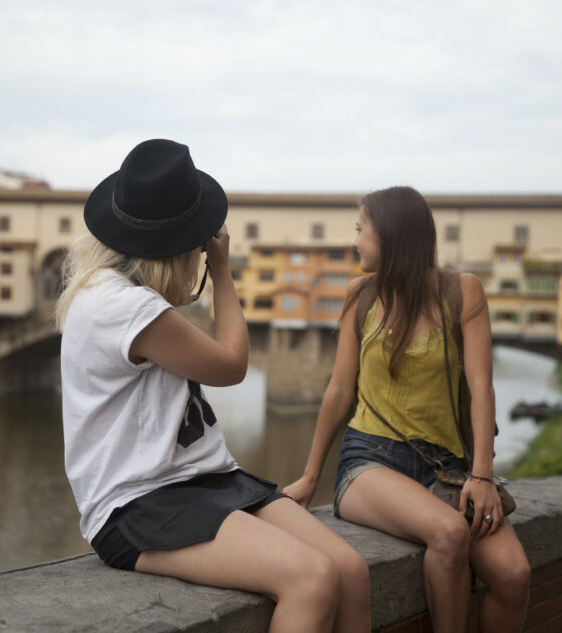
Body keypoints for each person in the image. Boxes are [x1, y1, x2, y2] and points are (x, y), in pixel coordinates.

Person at [56, 139, 370, 633]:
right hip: (137, 504)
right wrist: (222, 272)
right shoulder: (125, 307)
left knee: (351, 571)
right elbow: (231, 365)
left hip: (205, 481)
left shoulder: (113, 294)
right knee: (312, 579)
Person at [284, 186, 531, 633]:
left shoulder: (463, 292)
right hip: (369, 462)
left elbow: (481, 389)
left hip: (446, 468)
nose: (354, 241)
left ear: (393, 236)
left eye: (361, 230)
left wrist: (481, 475)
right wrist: (310, 475)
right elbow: (339, 390)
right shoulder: (359, 297)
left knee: (514, 575)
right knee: (449, 533)